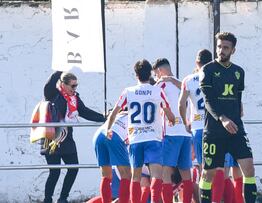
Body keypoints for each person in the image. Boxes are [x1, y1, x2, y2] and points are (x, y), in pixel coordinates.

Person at [198, 32, 257, 203]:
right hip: (214, 130)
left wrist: (237, 111)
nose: (221, 51)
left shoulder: (239, 72)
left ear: (233, 50)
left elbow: (238, 98)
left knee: (249, 168)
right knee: (208, 173)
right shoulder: (207, 70)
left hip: (235, 129)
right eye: (219, 46)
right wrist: (222, 118)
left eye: (225, 47)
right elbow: (208, 100)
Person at [106, 59, 175, 203]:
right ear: (150, 73)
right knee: (157, 175)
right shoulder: (158, 90)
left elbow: (114, 113)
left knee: (136, 177)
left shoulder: (128, 91)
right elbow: (169, 113)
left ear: (136, 75)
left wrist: (108, 129)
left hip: (136, 139)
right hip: (153, 139)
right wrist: (171, 120)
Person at [42, 71, 106, 203]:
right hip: (52, 138)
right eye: (72, 86)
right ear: (63, 84)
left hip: (67, 138)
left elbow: (84, 112)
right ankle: (47, 199)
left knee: (73, 168)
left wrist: (104, 118)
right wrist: (60, 70)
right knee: (55, 172)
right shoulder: (53, 95)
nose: (75, 88)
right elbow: (47, 86)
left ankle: (63, 198)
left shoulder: (74, 98)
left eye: (76, 85)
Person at [152, 58, 194, 203]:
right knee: (186, 172)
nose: (156, 78)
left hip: (171, 133)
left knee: (165, 172)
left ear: (159, 71)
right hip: (186, 133)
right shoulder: (183, 83)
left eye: (156, 75)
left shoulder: (161, 84)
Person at [92, 110, 131, 203]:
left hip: (99, 134)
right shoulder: (137, 116)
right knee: (126, 175)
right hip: (114, 135)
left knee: (106, 175)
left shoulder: (120, 114)